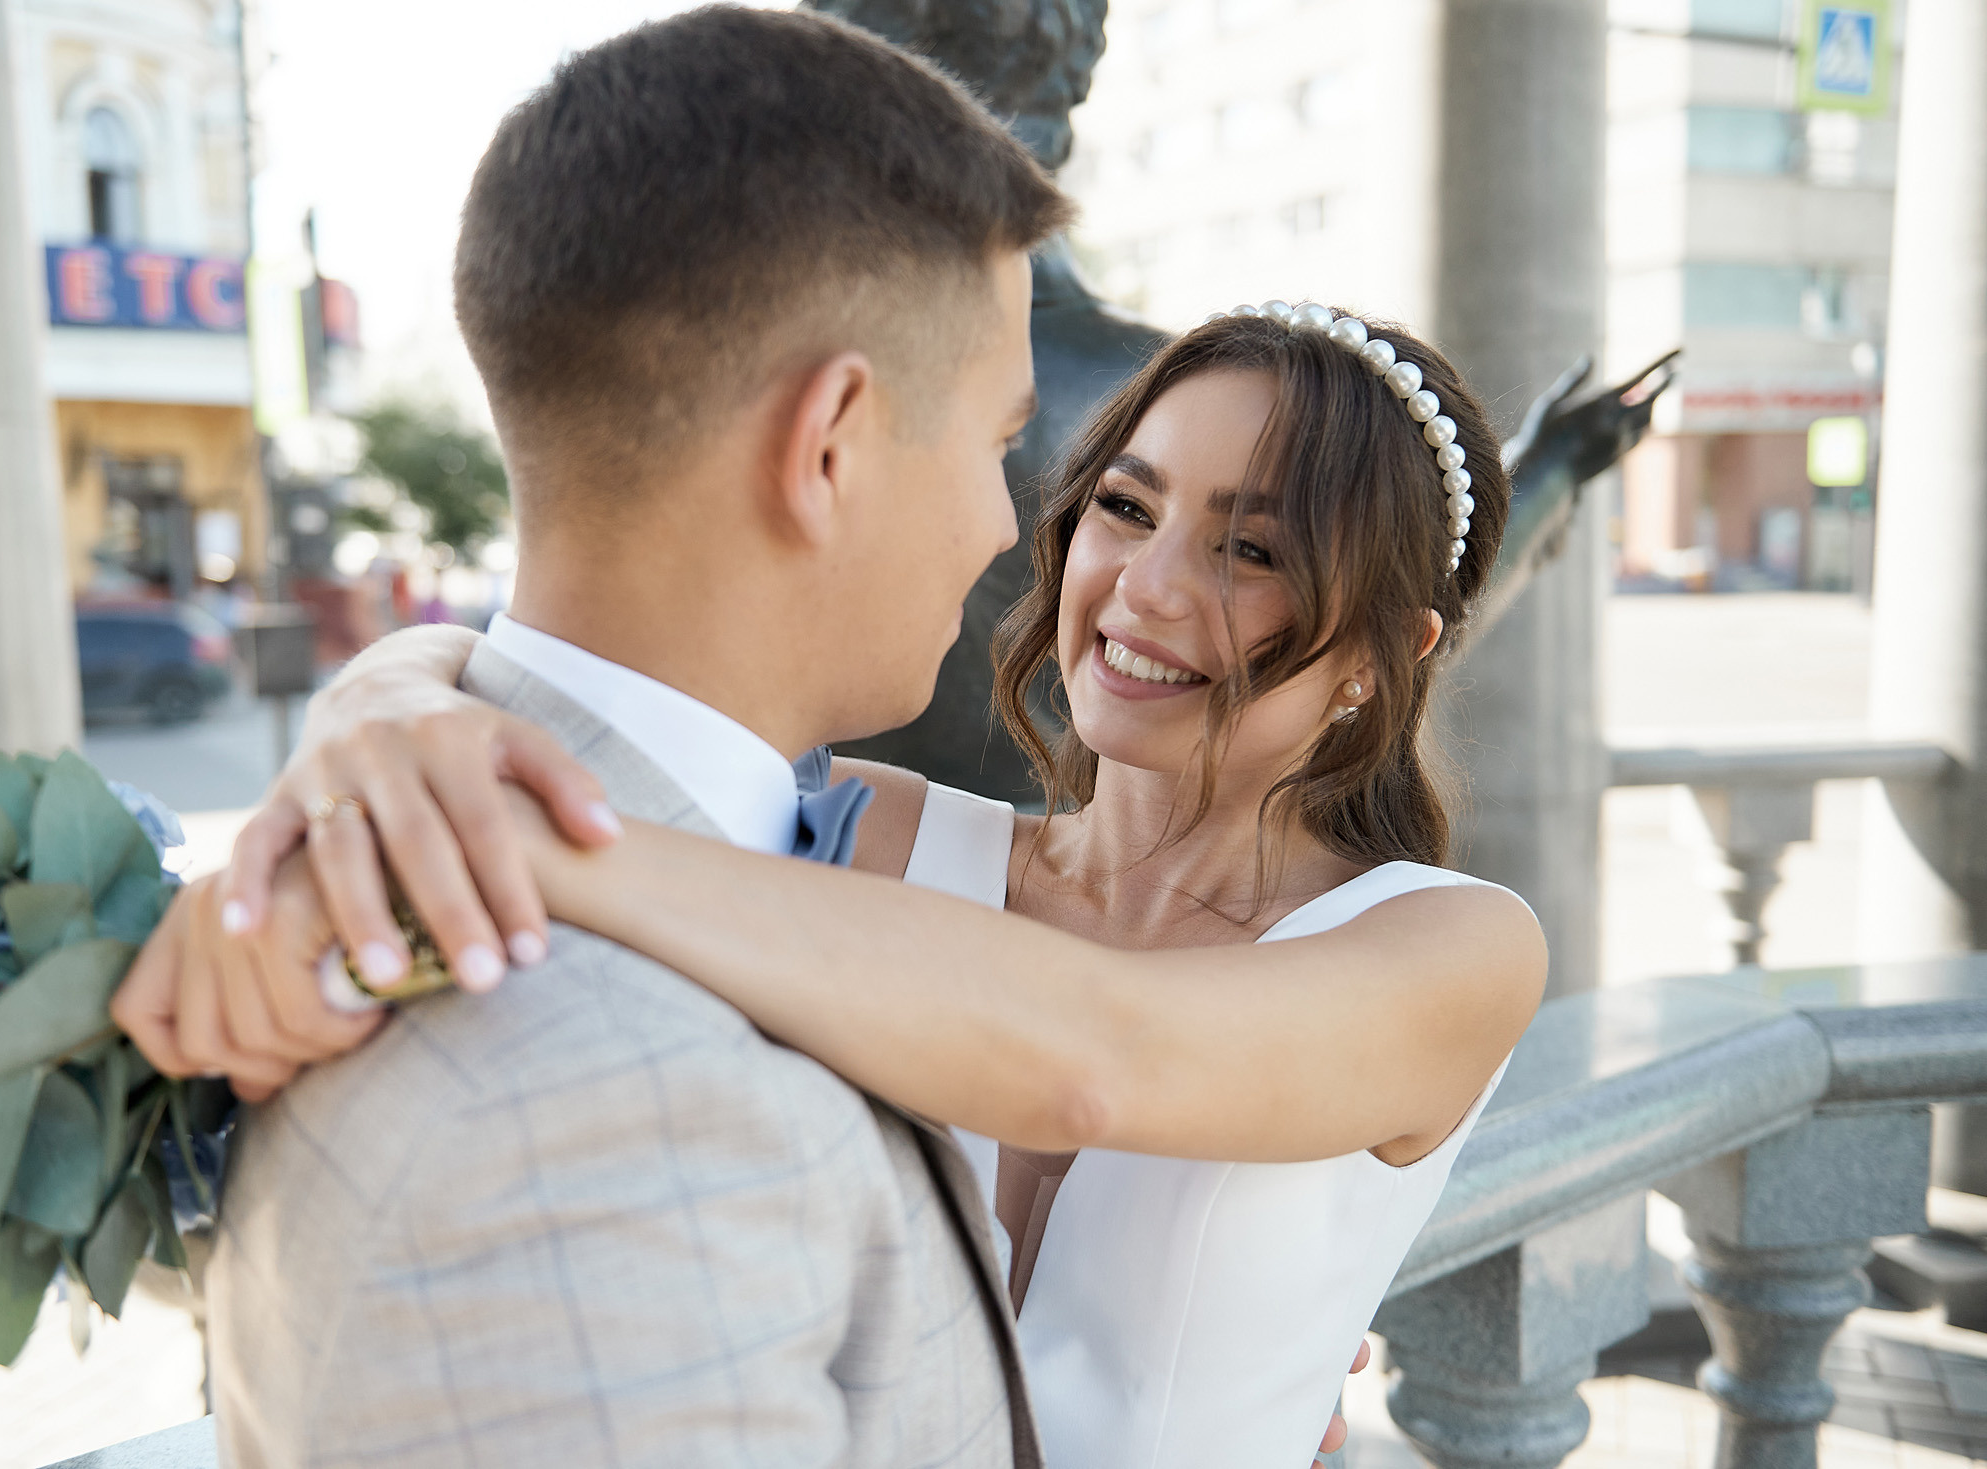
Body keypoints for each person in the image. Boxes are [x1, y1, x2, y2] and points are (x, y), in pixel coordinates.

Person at [120, 283, 1547, 1461]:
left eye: (1248, 548)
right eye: (1126, 504)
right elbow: (591, 705)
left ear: (1382, 653)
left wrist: (529, 840)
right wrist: (392, 714)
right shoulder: (865, 834)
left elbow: (1093, 1058)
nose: (1144, 586)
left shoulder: (1451, 952)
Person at [156, 10, 1078, 1465]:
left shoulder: (419, 838)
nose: (1003, 519)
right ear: (830, 440)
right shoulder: (607, 1122)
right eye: (996, 438)